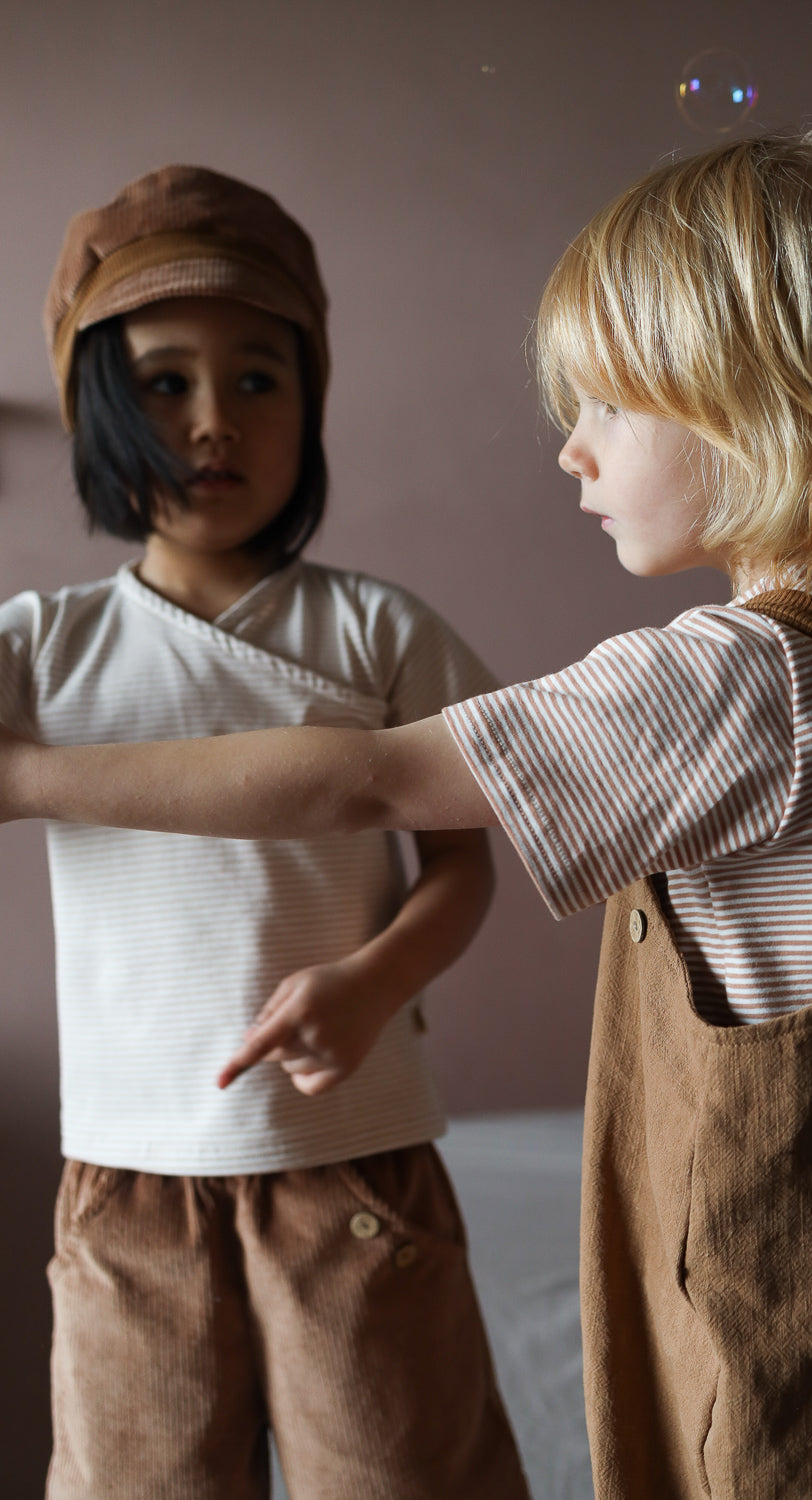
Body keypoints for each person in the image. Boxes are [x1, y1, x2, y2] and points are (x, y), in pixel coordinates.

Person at [2, 129, 812, 1497]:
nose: (568, 451)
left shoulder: (739, 677)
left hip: (801, 1327)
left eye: (605, 408)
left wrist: (25, 780)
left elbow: (371, 775)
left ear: (755, 403)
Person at [2, 166, 529, 1500]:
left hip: (354, 1166)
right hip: (125, 1182)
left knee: (404, 1475)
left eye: (258, 380)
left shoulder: (377, 633)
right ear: (96, 414)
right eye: (164, 382)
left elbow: (465, 862)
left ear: (311, 409)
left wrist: (374, 984)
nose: (211, 422)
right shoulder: (39, 648)